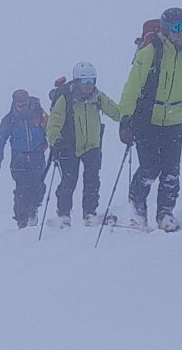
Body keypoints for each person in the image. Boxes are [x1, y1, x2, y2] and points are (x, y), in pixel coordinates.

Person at [116, 8, 182, 231]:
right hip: (147, 118)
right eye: (176, 28)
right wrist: (125, 119)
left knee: (172, 170)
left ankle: (165, 212)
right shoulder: (152, 51)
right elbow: (132, 85)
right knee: (150, 167)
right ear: (166, 30)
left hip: (175, 119)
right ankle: (137, 203)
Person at [45, 61, 124, 227]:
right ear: (76, 81)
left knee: (92, 181)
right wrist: (55, 140)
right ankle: (64, 215)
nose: (88, 85)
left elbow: (116, 112)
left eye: (91, 81)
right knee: (68, 181)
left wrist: (129, 119)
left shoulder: (98, 97)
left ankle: (90, 213)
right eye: (84, 81)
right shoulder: (65, 99)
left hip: (92, 146)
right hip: (69, 146)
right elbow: (54, 123)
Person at [0, 88, 50, 229]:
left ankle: (33, 210)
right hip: (18, 159)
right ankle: (21, 220)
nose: (23, 108)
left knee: (38, 185)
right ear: (14, 104)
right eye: (19, 105)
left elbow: (51, 129)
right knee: (21, 189)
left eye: (25, 104)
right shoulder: (9, 120)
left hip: (37, 156)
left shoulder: (39, 114)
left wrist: (55, 145)